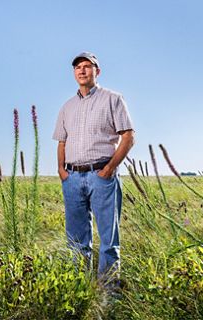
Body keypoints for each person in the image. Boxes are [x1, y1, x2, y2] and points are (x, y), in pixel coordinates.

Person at [53, 52, 135, 288]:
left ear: (97, 72)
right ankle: (79, 288)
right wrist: (61, 170)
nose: (82, 70)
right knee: (76, 241)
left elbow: (128, 136)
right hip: (72, 179)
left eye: (87, 66)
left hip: (102, 177)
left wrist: (109, 168)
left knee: (108, 240)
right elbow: (61, 141)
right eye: (78, 67)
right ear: (74, 73)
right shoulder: (66, 107)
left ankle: (108, 294)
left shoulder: (113, 99)